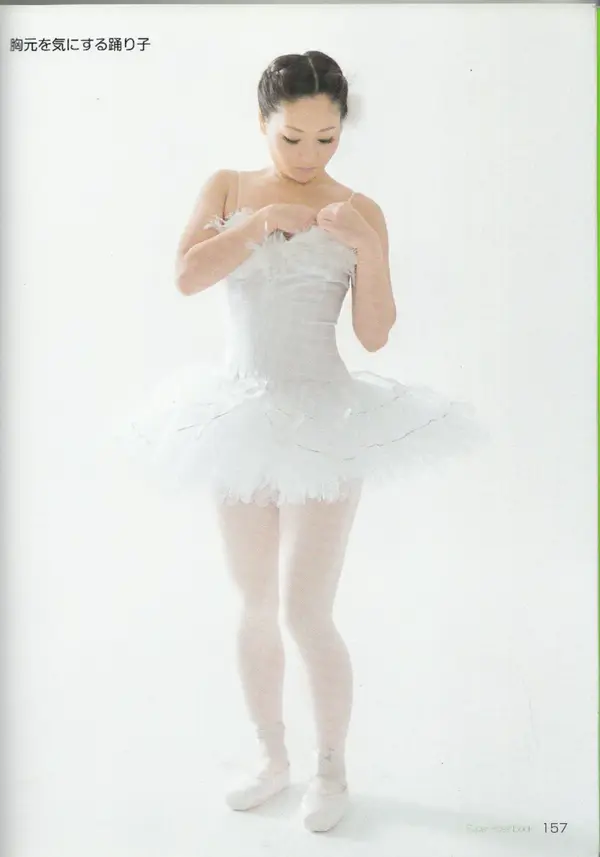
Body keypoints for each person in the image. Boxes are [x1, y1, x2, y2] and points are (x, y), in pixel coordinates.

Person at [116, 51, 488, 833]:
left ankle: (331, 768)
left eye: (326, 138)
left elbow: (375, 334)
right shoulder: (227, 186)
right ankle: (271, 756)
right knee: (254, 602)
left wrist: (368, 247)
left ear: (343, 129)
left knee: (305, 609)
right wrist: (258, 222)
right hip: (240, 417)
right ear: (263, 123)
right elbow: (186, 275)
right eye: (291, 138)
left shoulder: (359, 206)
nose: (308, 154)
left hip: (325, 421)